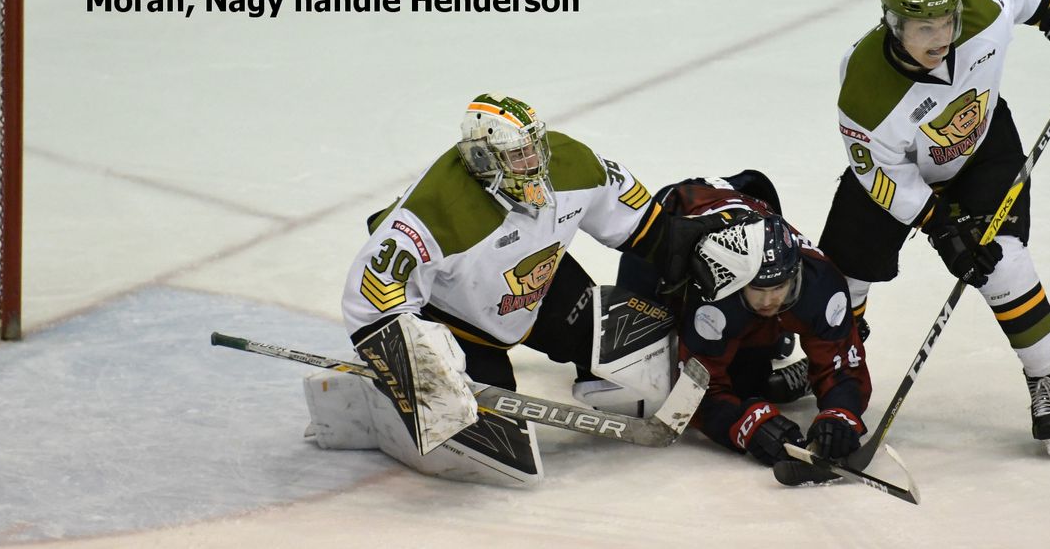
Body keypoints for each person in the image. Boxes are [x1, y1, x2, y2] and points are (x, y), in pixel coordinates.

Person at [305, 92, 738, 486]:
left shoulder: (573, 163)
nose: (534, 164)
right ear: (480, 158)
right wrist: (416, 365)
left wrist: (698, 248)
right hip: (462, 324)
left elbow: (647, 229)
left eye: (535, 148)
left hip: (545, 289)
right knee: (503, 459)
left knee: (653, 380)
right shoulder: (434, 213)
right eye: (517, 156)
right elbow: (370, 298)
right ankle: (376, 399)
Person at [817, 0, 1050, 454]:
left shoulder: (980, 12)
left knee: (1002, 263)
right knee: (839, 277)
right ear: (894, 25)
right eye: (925, 28)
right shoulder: (865, 91)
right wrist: (941, 224)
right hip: (902, 174)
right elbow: (884, 176)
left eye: (947, 22)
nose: (941, 36)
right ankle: (836, 363)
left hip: (982, 153)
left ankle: (1045, 376)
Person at [617, 172, 872, 466]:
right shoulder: (716, 296)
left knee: (751, 374)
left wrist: (841, 415)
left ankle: (775, 340)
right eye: (759, 289)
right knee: (644, 365)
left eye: (779, 287)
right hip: (678, 210)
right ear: (739, 281)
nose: (769, 300)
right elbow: (694, 393)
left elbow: (846, 371)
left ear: (795, 274)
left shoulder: (822, 284)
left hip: (746, 207)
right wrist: (748, 428)